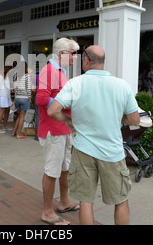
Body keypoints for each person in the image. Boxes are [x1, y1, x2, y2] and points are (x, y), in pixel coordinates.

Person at [47, 45, 140, 225]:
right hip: (112, 153)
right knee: (120, 200)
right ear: (102, 61)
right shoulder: (122, 85)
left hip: (83, 151)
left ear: (86, 60)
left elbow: (52, 110)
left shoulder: (75, 83)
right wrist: (119, 118)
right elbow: (135, 120)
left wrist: (67, 120)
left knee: (86, 202)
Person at [35, 37, 80, 225]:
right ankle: (47, 212)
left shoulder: (59, 71)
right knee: (52, 171)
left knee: (64, 168)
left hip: (62, 129)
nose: (74, 58)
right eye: (73, 54)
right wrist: (62, 106)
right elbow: (41, 98)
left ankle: (63, 202)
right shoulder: (50, 70)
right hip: (52, 130)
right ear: (62, 53)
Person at [11, 61, 32, 139]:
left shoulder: (16, 76)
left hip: (17, 98)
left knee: (19, 116)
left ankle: (14, 132)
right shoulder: (27, 76)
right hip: (24, 98)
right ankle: (19, 134)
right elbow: (28, 88)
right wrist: (29, 97)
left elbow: (14, 88)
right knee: (22, 117)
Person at [0, 65, 13, 134]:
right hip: (3, 95)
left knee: (7, 110)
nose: (12, 71)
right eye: (11, 69)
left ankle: (4, 125)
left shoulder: (7, 77)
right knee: (2, 111)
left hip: (7, 96)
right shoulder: (1, 76)